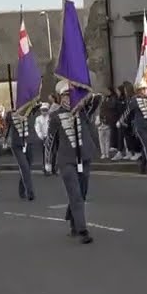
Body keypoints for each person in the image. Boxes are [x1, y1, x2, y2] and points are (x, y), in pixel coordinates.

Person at [48, 81, 103, 243]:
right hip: (66, 160)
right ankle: (82, 230)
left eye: (70, 95)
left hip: (84, 156)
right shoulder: (55, 116)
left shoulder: (83, 110)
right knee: (75, 194)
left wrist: (82, 94)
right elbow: (50, 141)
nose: (68, 98)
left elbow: (97, 98)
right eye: (65, 95)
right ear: (60, 97)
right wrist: (48, 163)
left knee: (82, 192)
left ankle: (73, 221)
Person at [119, 84, 147, 174]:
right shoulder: (134, 100)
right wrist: (121, 120)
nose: (144, 91)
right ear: (137, 91)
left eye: (145, 89)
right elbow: (127, 111)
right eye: (141, 89)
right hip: (141, 127)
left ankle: (142, 166)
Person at [4, 104, 37, 201]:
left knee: (28, 166)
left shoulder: (29, 110)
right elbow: (7, 121)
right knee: (24, 166)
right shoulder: (11, 115)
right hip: (17, 144)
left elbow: (35, 106)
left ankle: (21, 188)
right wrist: (14, 112)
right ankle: (30, 192)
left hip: (28, 142)